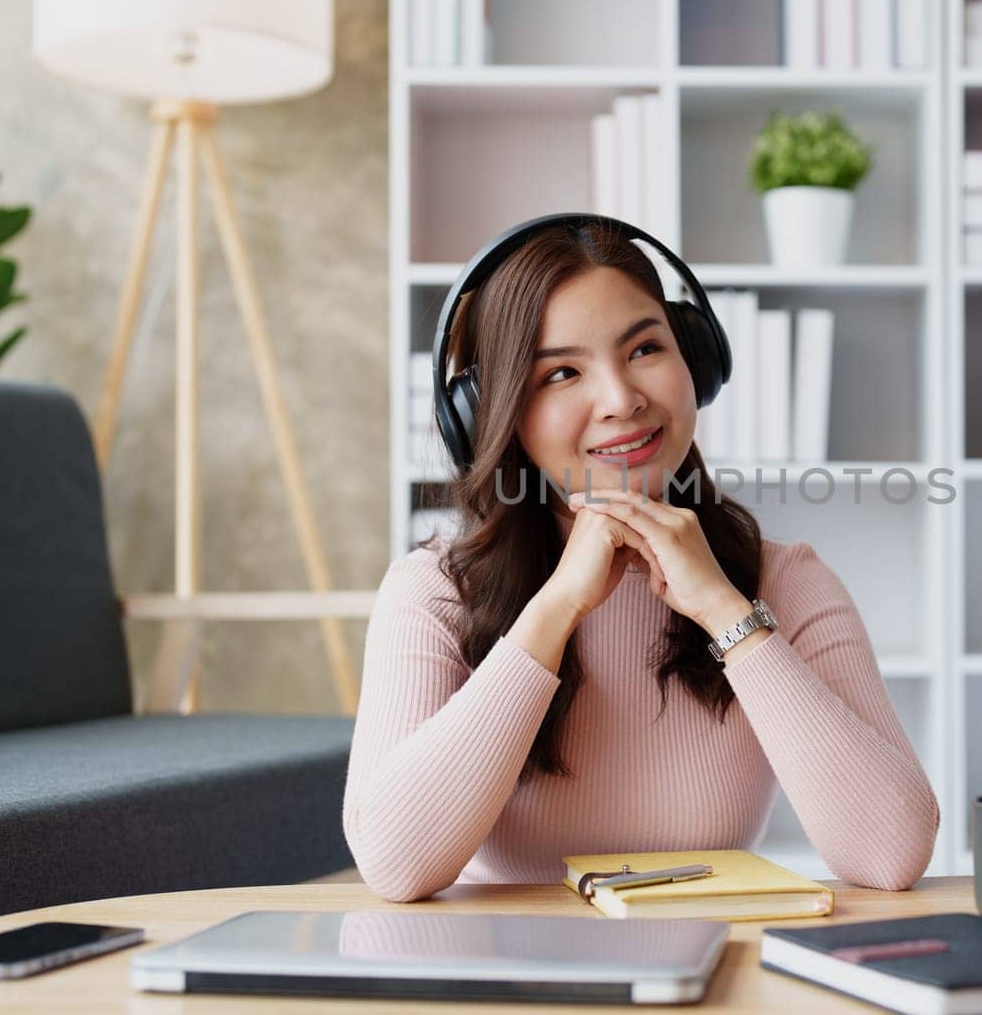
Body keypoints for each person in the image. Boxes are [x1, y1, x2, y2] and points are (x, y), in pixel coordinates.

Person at [342, 217, 939, 902]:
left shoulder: (784, 583)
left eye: (645, 348)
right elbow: (394, 864)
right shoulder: (434, 592)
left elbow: (891, 853)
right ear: (495, 415)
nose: (622, 399)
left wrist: (725, 610)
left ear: (696, 363)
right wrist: (556, 608)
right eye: (562, 371)